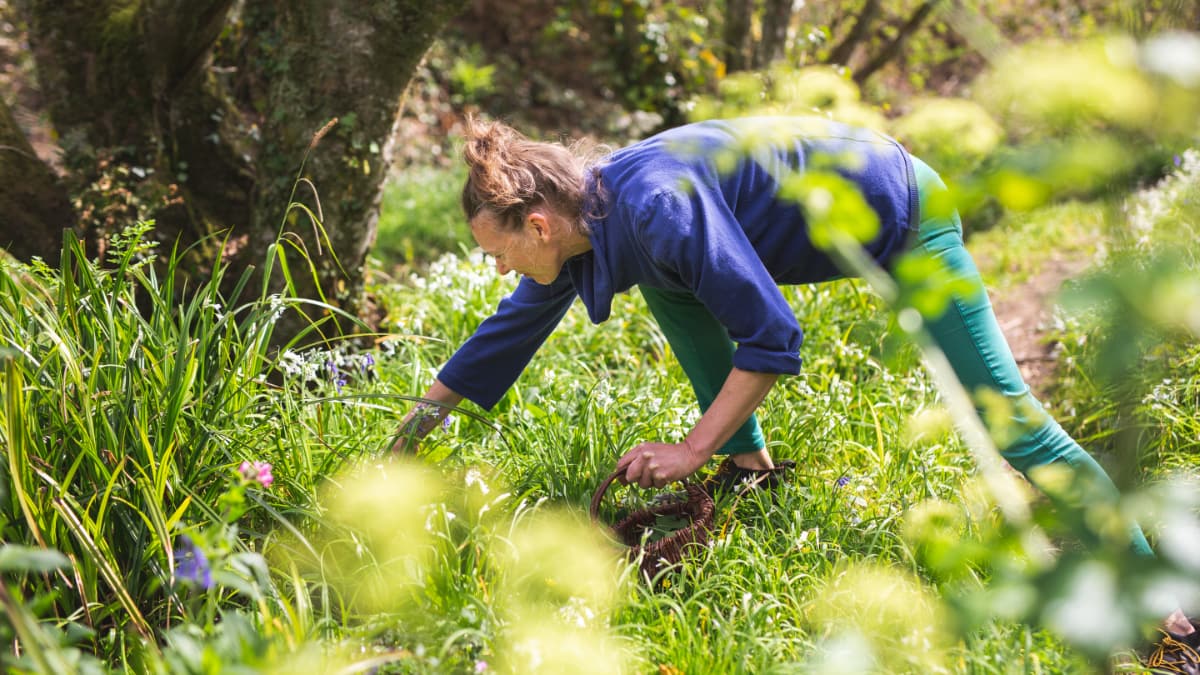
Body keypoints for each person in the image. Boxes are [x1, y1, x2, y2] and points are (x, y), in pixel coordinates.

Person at [393, 115, 1197, 652]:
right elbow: (509, 327)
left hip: (904, 215)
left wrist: (688, 448)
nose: (496, 268)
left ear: (536, 223)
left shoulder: (657, 208)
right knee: (673, 289)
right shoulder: (591, 213)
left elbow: (773, 338)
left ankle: (1156, 601)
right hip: (823, 216)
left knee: (1006, 420)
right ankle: (752, 469)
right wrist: (411, 431)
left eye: (494, 250)